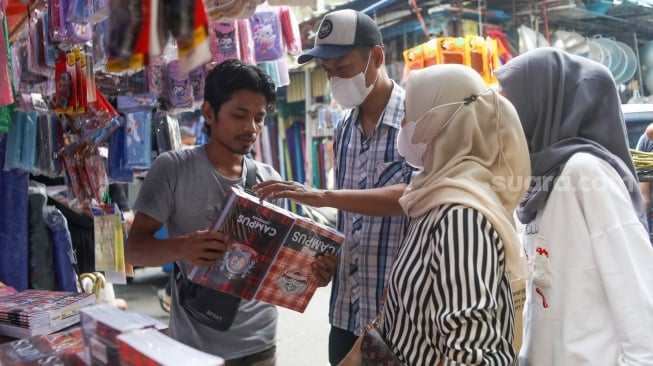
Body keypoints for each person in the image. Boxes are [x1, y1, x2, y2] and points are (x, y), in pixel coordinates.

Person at [125, 59, 337, 365]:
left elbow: (275, 270)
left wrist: (313, 273)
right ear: (209, 113)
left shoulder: (270, 179)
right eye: (239, 115)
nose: (251, 128)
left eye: (259, 118)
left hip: (259, 342)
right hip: (193, 345)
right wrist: (183, 247)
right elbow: (134, 251)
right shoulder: (173, 169)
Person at [336, 63, 530, 365]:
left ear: (438, 121)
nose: (402, 125)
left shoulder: (460, 216)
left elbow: (474, 354)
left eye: (409, 114)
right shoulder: (433, 198)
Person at [257, 9, 416, 365]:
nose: (335, 81)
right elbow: (350, 219)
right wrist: (330, 259)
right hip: (344, 316)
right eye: (328, 73)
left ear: (376, 57)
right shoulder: (343, 129)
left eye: (342, 69)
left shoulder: (415, 121)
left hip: (398, 318)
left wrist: (319, 195)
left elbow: (411, 197)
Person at [494, 47, 653, 365]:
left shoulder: (585, 172)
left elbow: (641, 312)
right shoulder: (533, 178)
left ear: (541, 103)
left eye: (507, 103)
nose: (499, 117)